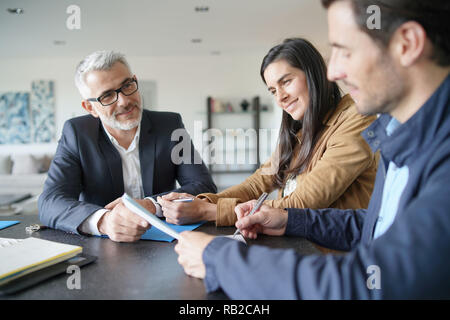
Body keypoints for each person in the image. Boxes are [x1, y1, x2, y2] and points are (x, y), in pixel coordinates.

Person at [174, 0, 450, 299]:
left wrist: (219, 258)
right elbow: (373, 224)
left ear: (407, 44)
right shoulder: (398, 134)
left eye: (345, 51)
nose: (333, 71)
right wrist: (288, 219)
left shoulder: (379, 128)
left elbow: (368, 282)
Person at [157, 38, 378, 233]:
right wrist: (195, 202)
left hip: (338, 260)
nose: (280, 97)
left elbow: (303, 204)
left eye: (286, 82)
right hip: (302, 246)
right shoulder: (301, 130)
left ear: (314, 74)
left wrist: (209, 212)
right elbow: (257, 183)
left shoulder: (357, 119)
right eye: (273, 90)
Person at [38, 51, 216, 242]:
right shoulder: (77, 133)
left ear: (135, 81)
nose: (124, 101)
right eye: (107, 96)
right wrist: (104, 221)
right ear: (90, 108)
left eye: (127, 86)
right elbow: (50, 202)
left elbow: (204, 186)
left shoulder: (170, 125)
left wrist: (150, 205)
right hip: (103, 247)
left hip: (167, 246)